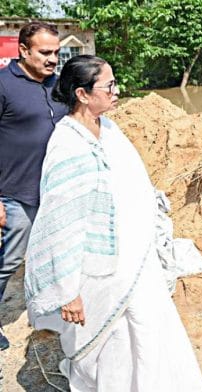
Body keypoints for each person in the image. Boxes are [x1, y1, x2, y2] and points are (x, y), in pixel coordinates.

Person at [24, 55, 202, 391]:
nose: (116, 90)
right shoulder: (67, 145)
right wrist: (68, 292)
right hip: (98, 272)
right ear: (82, 94)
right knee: (113, 345)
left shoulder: (110, 129)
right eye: (108, 85)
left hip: (136, 262)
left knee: (150, 329)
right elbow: (60, 225)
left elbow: (135, 187)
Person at [0, 21, 67, 350]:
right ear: (23, 51)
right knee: (9, 262)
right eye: (45, 52)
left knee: (58, 256)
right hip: (17, 193)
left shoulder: (60, 85)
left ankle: (54, 316)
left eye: (56, 52)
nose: (53, 58)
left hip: (57, 191)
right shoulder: (2, 85)